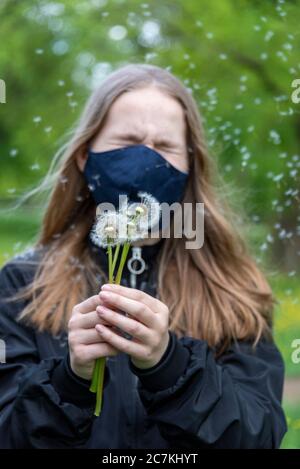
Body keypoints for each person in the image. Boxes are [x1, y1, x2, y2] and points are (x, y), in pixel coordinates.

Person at [0, 64, 287, 449]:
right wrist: (70, 379)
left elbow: (259, 435)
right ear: (86, 156)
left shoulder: (231, 289)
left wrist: (170, 366)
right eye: (127, 143)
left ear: (190, 164)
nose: (145, 161)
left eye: (165, 147)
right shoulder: (22, 284)